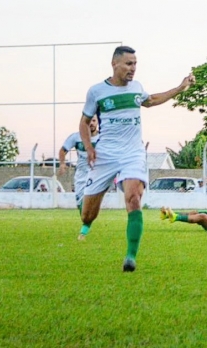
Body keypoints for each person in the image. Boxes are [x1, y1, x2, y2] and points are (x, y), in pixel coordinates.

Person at [78, 45, 194, 272]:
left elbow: (152, 100)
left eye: (135, 64)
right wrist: (89, 147)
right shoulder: (96, 91)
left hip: (133, 153)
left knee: (133, 198)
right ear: (114, 64)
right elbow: (84, 122)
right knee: (87, 215)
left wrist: (180, 88)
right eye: (128, 64)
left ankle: (130, 257)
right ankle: (87, 223)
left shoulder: (137, 87)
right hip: (105, 155)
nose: (133, 68)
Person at [58, 115, 99, 214]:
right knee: (81, 204)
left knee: (91, 202)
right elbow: (63, 150)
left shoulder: (103, 138)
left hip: (96, 174)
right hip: (81, 174)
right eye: (89, 121)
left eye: (94, 120)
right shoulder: (76, 137)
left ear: (98, 122)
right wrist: (62, 163)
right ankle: (85, 217)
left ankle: (88, 218)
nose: (91, 123)